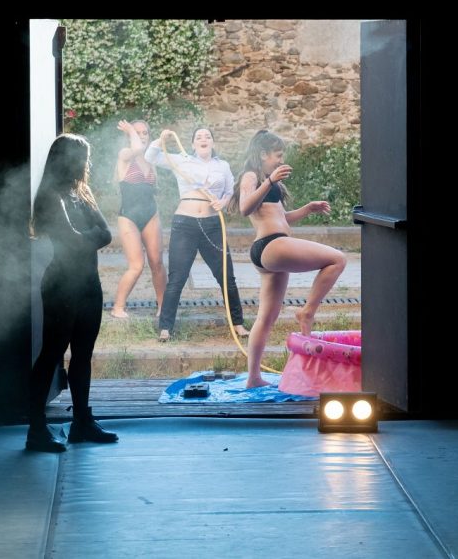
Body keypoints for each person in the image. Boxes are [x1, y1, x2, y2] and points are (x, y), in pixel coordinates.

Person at [227, 130, 347, 389]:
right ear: (263, 154)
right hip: (270, 245)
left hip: (272, 249)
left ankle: (253, 378)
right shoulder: (251, 176)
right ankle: (306, 312)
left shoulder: (269, 182)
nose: (281, 160)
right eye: (278, 155)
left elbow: (281, 218)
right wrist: (269, 181)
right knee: (337, 259)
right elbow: (245, 208)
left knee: (266, 318)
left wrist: (308, 209)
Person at [28, 134, 119, 452]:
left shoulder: (81, 192)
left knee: (83, 354)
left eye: (86, 158)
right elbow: (74, 239)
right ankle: (36, 430)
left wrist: (85, 235)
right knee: (51, 354)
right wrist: (88, 235)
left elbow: (105, 234)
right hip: (61, 285)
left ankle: (81, 422)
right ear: (64, 160)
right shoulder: (51, 196)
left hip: (88, 283)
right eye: (80, 158)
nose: (85, 164)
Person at [144, 127, 249, 342]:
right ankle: (165, 327)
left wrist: (223, 202)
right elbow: (150, 156)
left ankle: (238, 323)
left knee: (226, 276)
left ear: (213, 142)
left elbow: (230, 191)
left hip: (213, 225)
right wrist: (161, 139)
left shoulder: (222, 165)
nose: (203, 139)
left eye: (207, 136)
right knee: (177, 278)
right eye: (199, 137)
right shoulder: (182, 161)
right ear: (192, 144)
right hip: (185, 224)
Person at [110, 120, 166, 318]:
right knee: (136, 266)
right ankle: (118, 307)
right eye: (137, 133)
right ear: (130, 136)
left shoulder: (151, 160)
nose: (142, 136)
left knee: (157, 263)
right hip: (129, 217)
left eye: (145, 133)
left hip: (151, 214)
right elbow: (137, 149)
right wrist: (131, 132)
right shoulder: (125, 154)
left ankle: (163, 307)